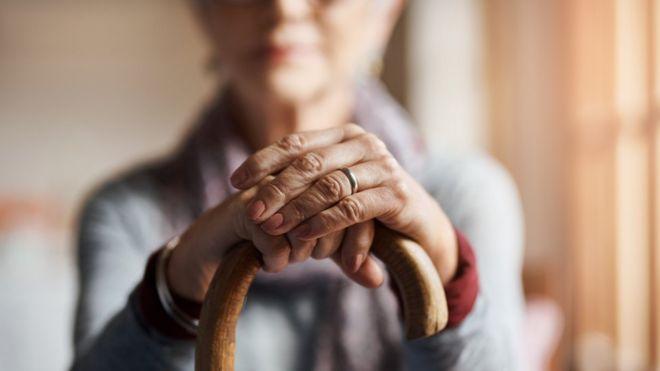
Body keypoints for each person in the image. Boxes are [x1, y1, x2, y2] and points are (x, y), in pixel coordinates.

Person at [71, 0, 525, 370]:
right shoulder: (125, 211)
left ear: (383, 13)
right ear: (203, 11)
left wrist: (445, 275)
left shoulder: (466, 194)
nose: (283, 9)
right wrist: (174, 288)